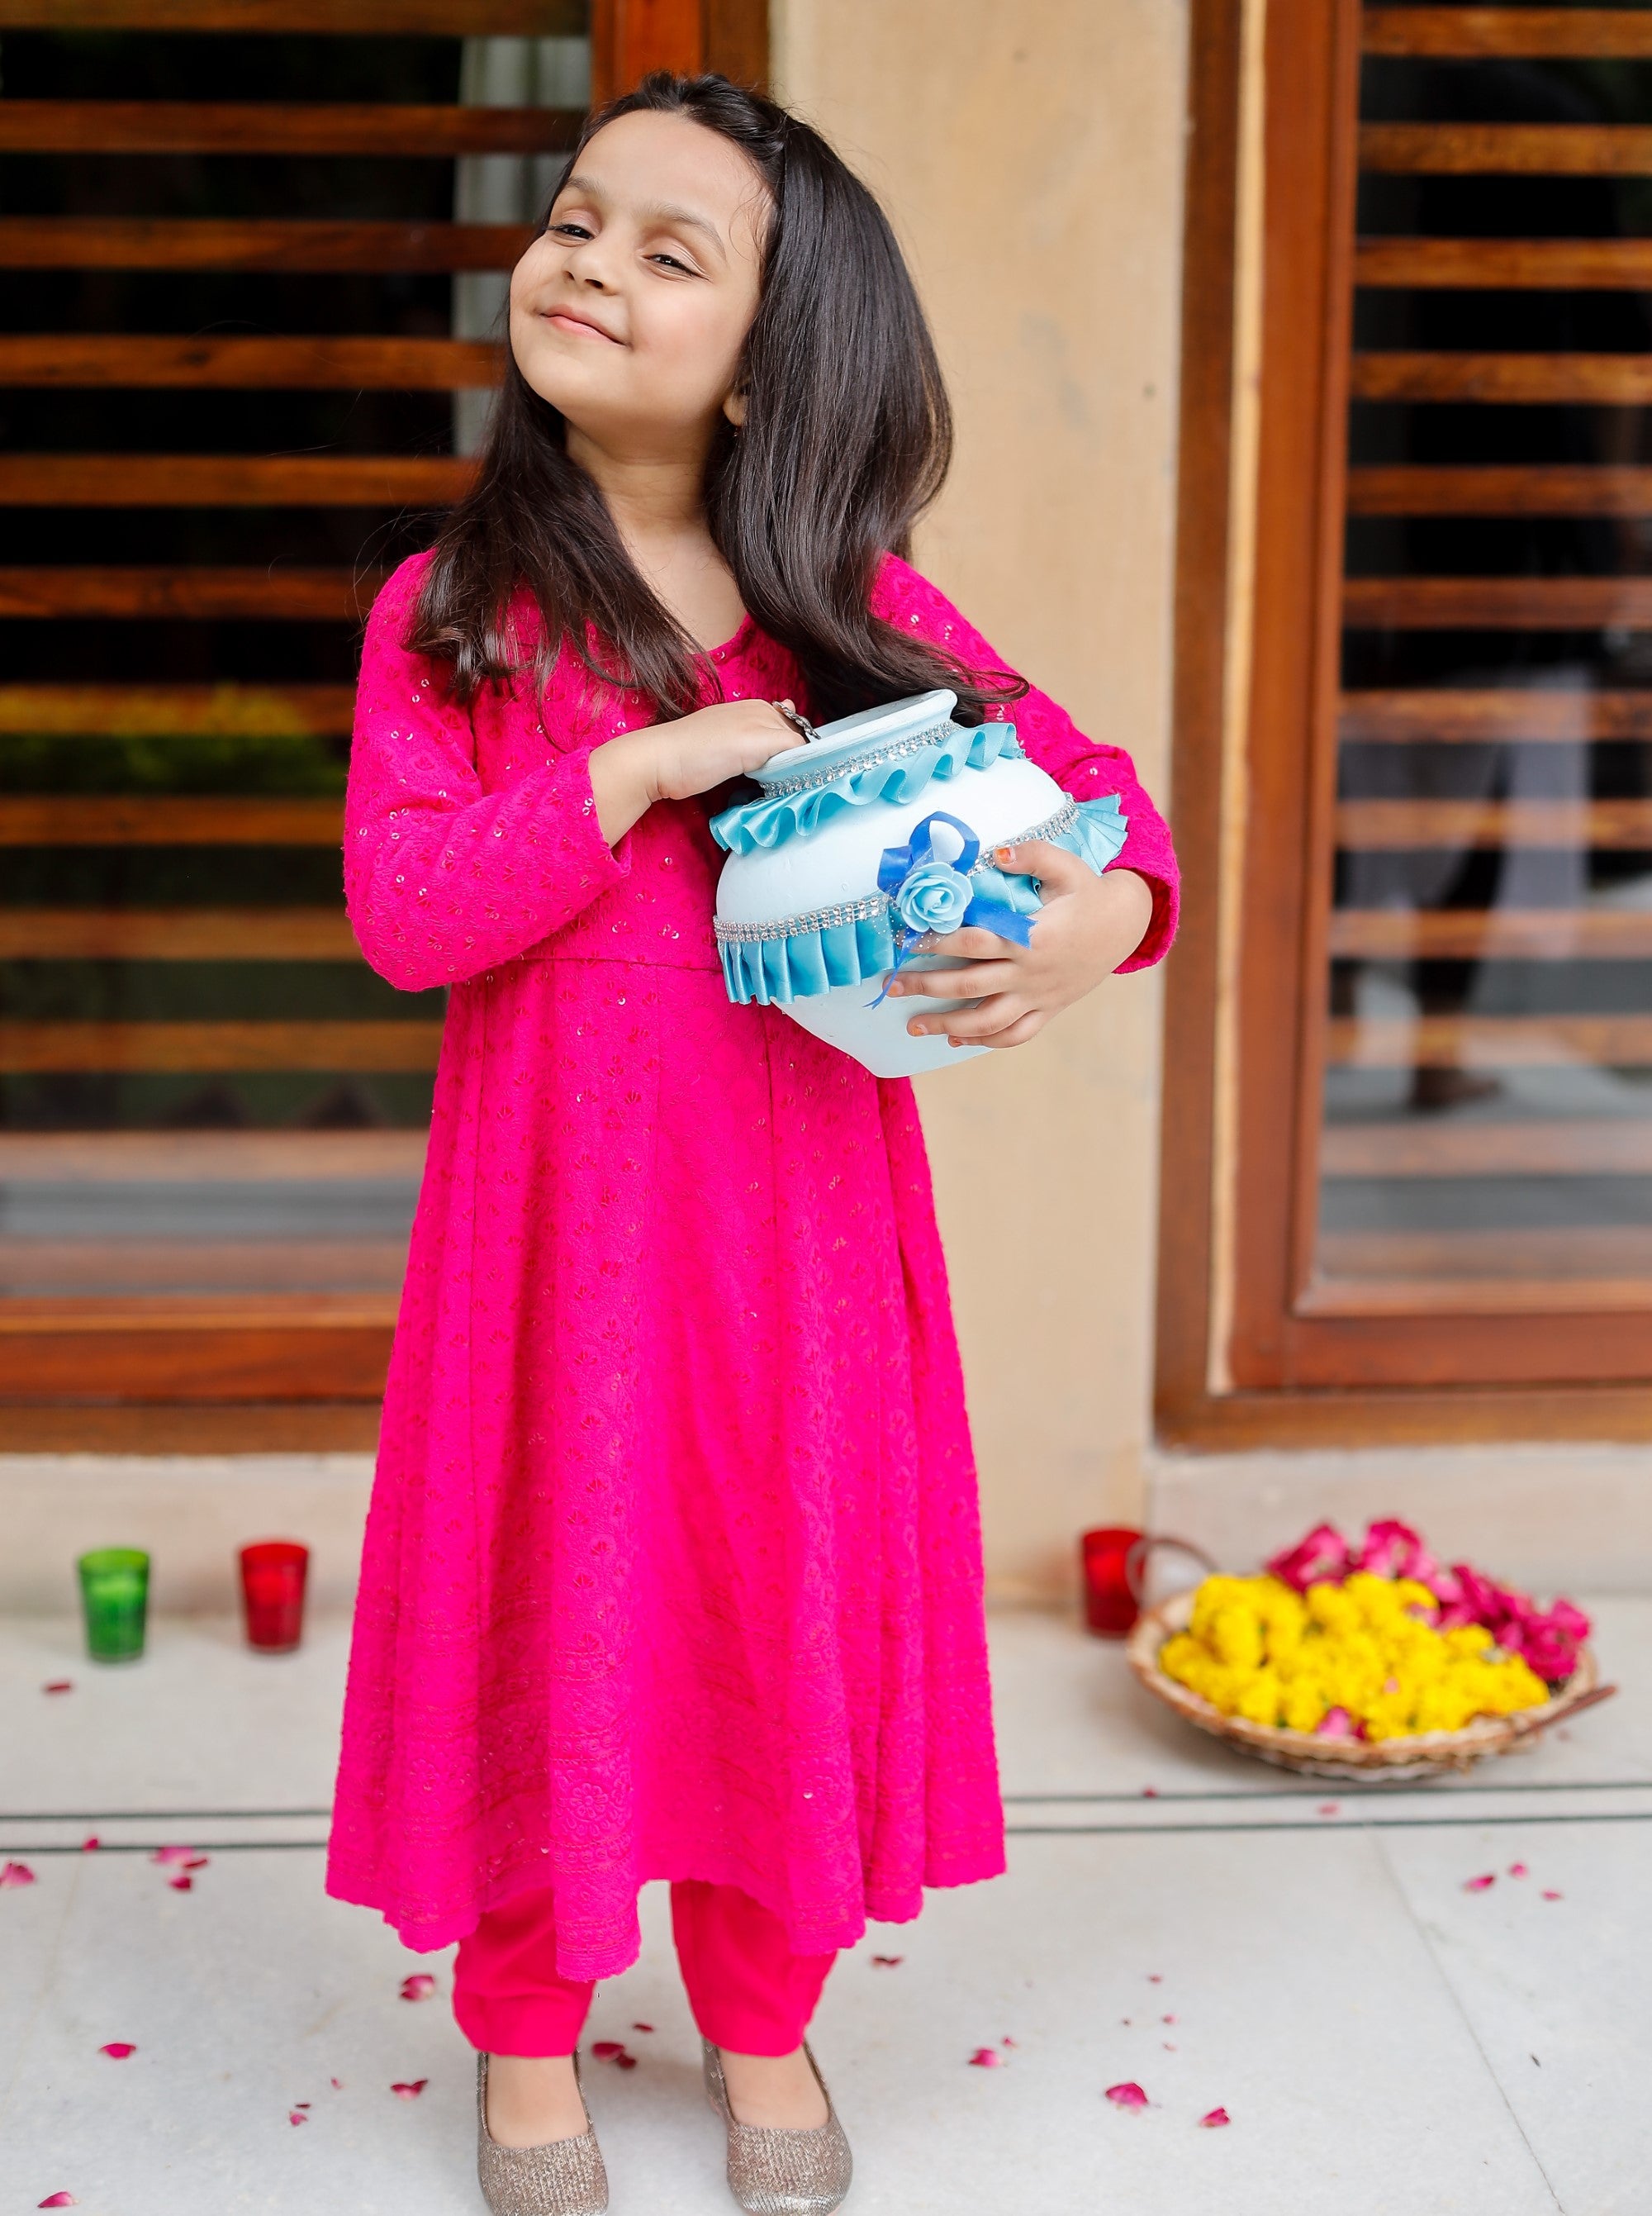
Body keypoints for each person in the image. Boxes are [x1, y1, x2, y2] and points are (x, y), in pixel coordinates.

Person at [326, 70, 1179, 2216]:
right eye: (576, 218)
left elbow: (1108, 806)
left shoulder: (859, 610)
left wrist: (1093, 917)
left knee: (765, 1600)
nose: (588, 264)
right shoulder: (456, 614)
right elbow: (408, 911)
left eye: (666, 250)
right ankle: (526, 2042)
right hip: (552, 1253)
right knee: (553, 1602)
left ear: (767, 369)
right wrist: (638, 774)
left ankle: (762, 2001)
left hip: (798, 1252)